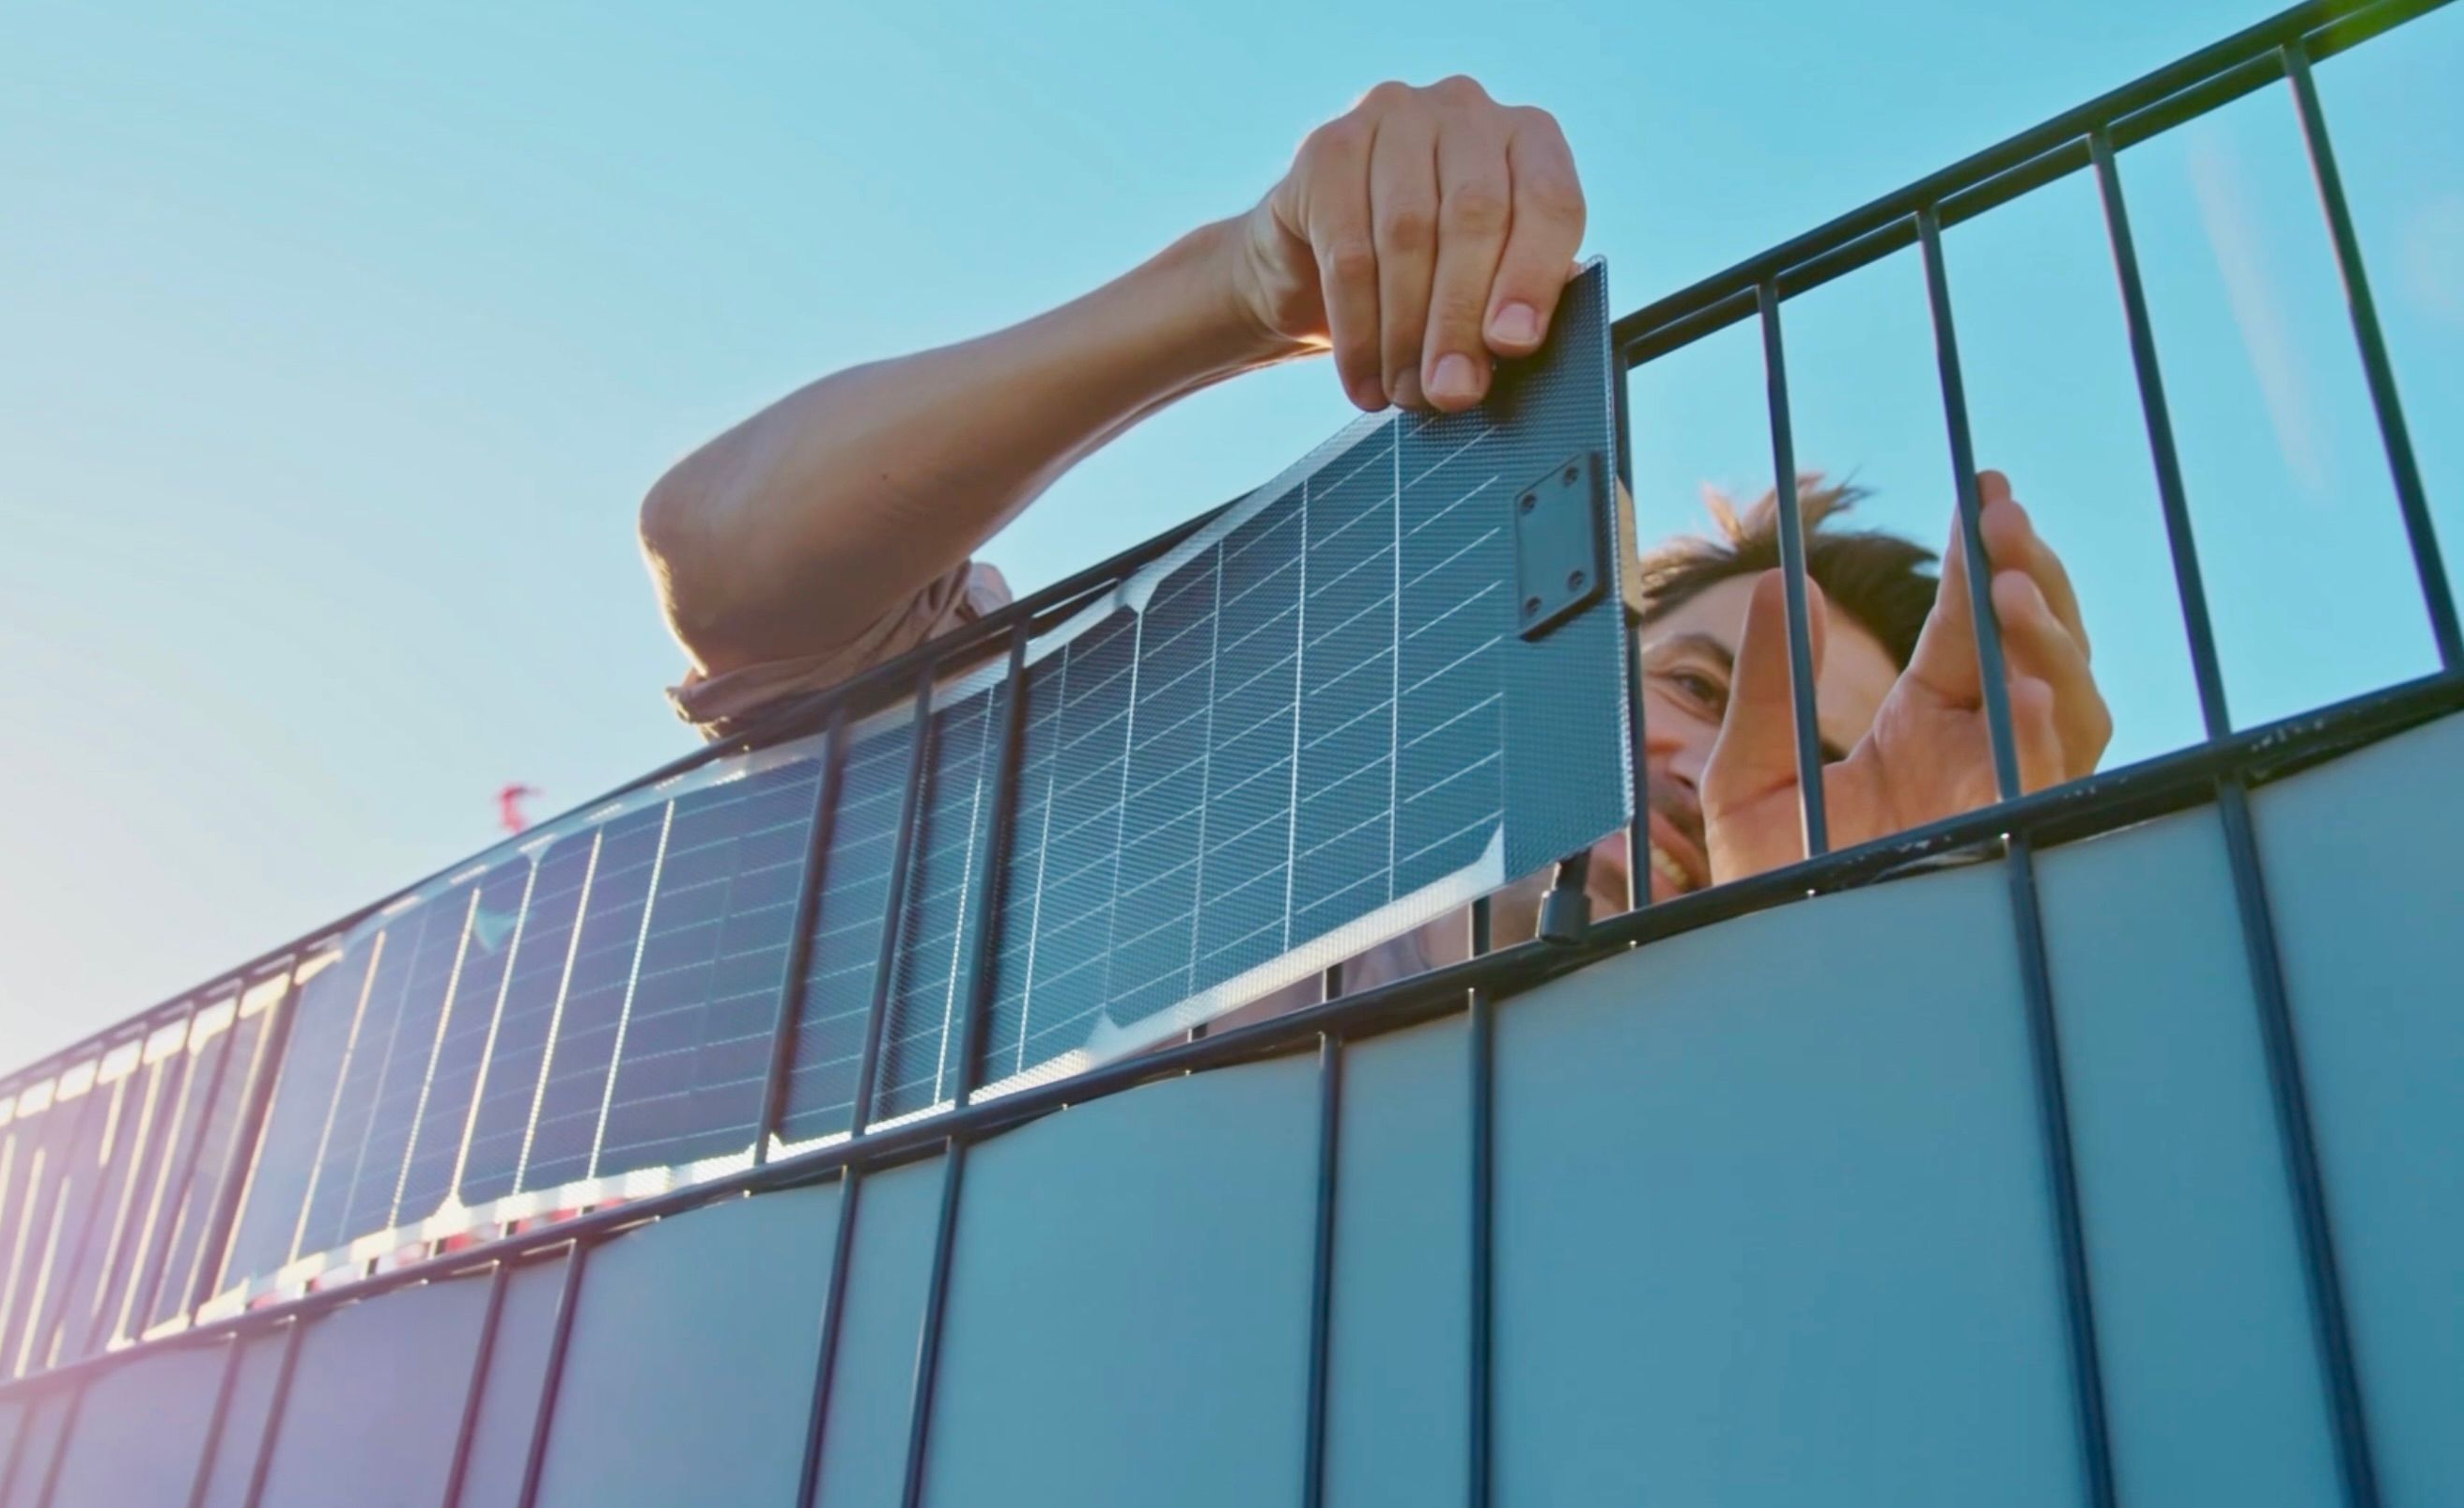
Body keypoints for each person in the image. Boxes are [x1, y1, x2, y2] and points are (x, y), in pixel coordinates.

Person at [639, 76, 2109, 954]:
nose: (1718, 768)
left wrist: (1924, 970)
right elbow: (732, 558)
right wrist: (1242, 279)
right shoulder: (1215, 901)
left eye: (1820, 761)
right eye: (1697, 685)